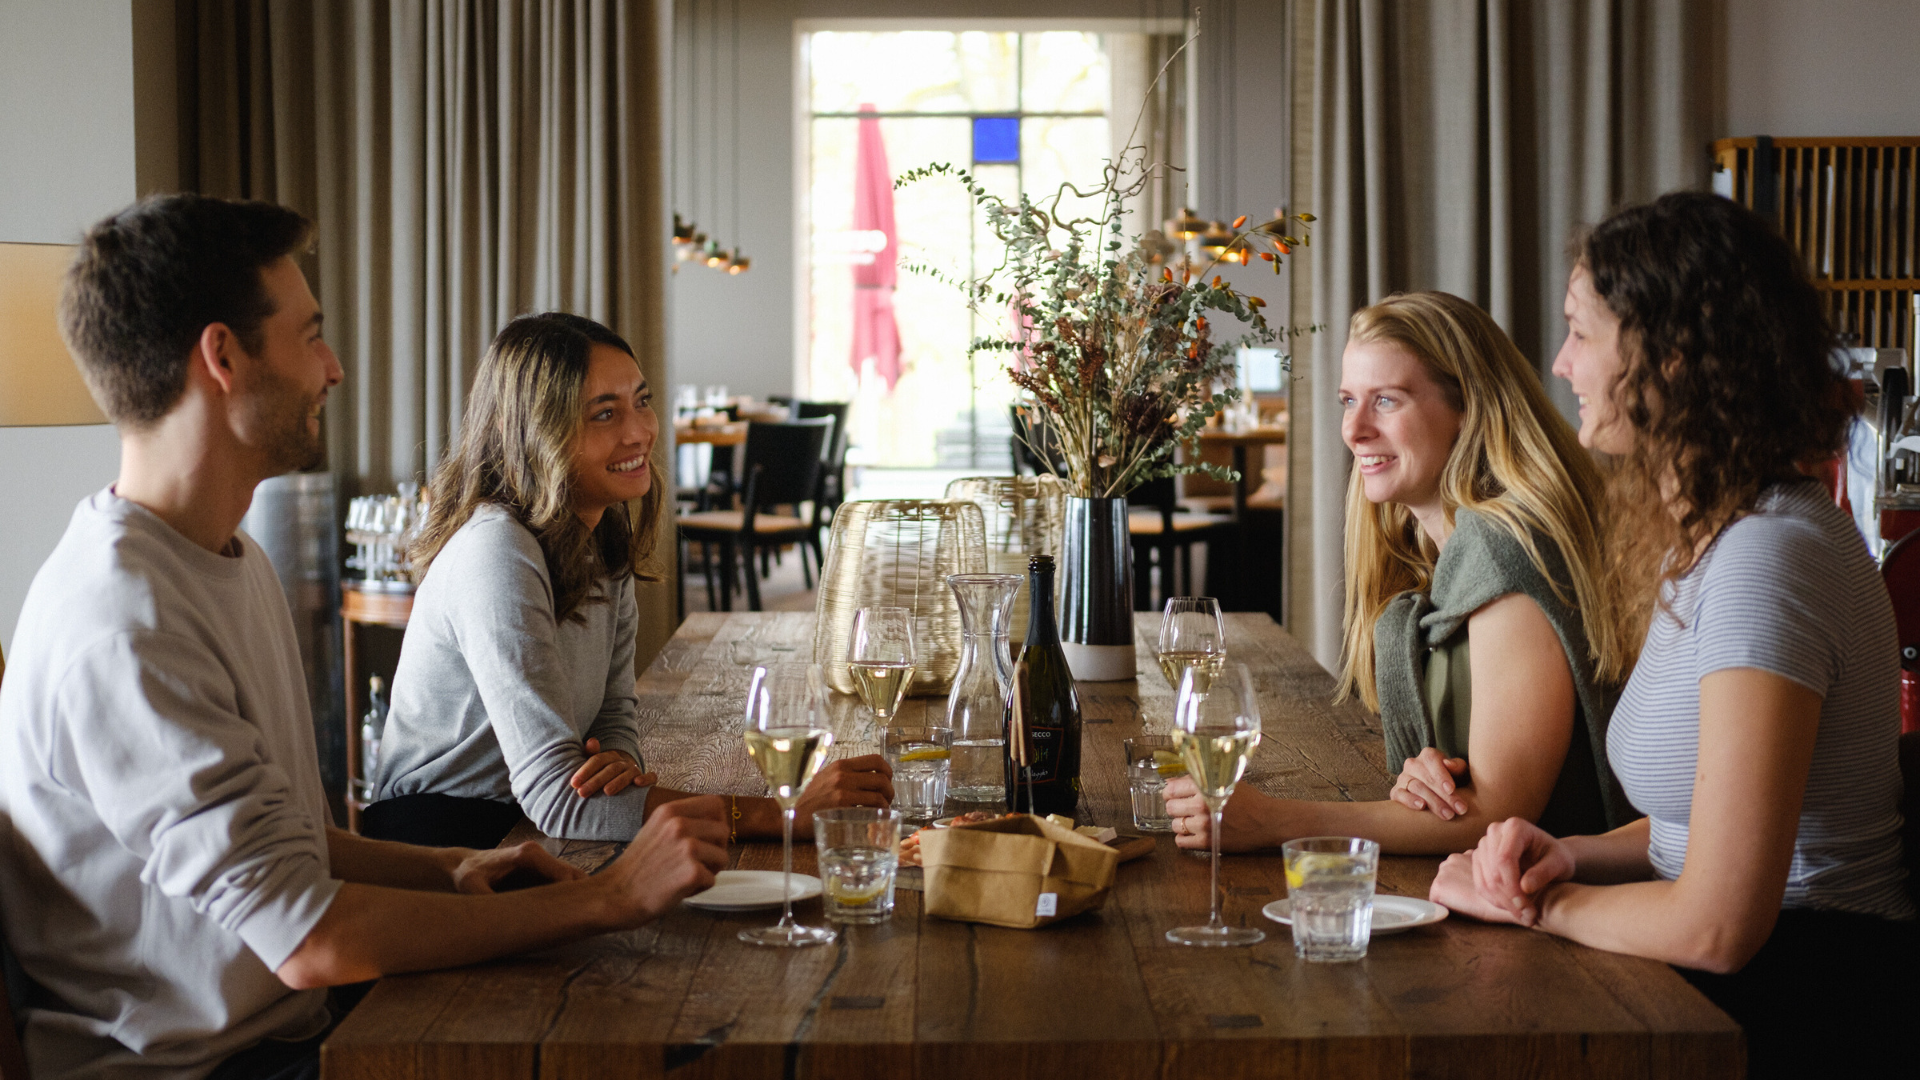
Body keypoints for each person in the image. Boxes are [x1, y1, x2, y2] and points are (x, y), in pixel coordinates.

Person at [0, 194, 728, 1080]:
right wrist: (610, 898)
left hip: (291, 1029)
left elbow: (295, 836)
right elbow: (309, 939)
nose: (334, 368)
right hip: (209, 1067)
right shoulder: (123, 625)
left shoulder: (228, 558)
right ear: (223, 357)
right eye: (310, 336)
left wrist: (454, 868)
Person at [1430, 191, 1915, 1076]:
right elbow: (1699, 821)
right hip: (1745, 975)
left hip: (1808, 995)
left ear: (1669, 361)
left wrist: (1538, 907)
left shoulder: (1766, 561)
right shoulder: (1711, 540)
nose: (1561, 363)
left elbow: (1721, 925)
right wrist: (1567, 854)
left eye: (1580, 332)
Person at [363, 312, 891, 850]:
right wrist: (781, 813)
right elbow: (558, 797)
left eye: (642, 401)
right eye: (604, 414)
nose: (639, 431)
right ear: (536, 432)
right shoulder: (497, 551)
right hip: (444, 839)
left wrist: (617, 759)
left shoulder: (599, 533)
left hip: (530, 827)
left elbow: (614, 712)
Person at [1165, 291, 1636, 853]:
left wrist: (1273, 821)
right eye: (1348, 400)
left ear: (1468, 408)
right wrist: (1427, 772)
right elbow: (1474, 787)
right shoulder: (1443, 550)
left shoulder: (1503, 549)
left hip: (1557, 891)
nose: (1355, 429)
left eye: (1386, 400)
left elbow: (1500, 812)